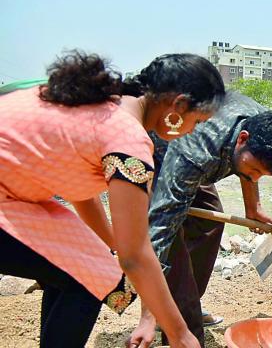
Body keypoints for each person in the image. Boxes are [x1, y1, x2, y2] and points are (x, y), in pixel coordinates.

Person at [0, 51, 226, 348]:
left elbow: (84, 199)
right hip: (9, 199)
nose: (193, 131)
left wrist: (114, 248)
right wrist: (180, 334)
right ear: (179, 106)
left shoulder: (105, 105)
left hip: (13, 195)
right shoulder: (128, 140)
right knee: (89, 279)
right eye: (197, 121)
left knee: (83, 269)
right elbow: (135, 257)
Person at [127, 94, 272, 348]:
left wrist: (253, 207)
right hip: (158, 158)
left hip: (198, 152)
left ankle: (182, 307)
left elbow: (251, 167)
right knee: (174, 260)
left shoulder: (263, 125)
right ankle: (179, 320)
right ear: (242, 139)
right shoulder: (195, 155)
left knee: (209, 224)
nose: (255, 177)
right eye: (254, 171)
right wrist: (148, 315)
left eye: (262, 175)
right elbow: (158, 237)